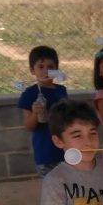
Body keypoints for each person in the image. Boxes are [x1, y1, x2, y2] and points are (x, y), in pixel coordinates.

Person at [19, 44, 68, 177]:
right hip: (45, 153)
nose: (46, 70)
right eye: (41, 67)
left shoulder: (61, 91)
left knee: (69, 185)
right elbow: (29, 126)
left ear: (56, 70)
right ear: (32, 70)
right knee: (51, 186)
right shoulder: (30, 93)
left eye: (50, 67)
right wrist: (35, 113)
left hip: (65, 150)